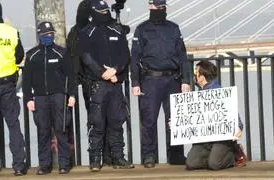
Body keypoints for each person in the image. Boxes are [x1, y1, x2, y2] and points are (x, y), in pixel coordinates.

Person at [130, 0, 191, 168]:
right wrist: (135, 82)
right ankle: (149, 156)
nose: (161, 10)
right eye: (158, 7)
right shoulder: (141, 29)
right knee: (148, 120)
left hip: (173, 80)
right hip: (150, 80)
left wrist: (186, 80)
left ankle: (176, 155)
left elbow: (183, 56)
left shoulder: (174, 28)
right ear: (150, 7)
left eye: (163, 7)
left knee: (175, 120)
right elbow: (135, 58)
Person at [78, 0, 134, 172]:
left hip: (115, 83)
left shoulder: (116, 31)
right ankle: (95, 160)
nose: (104, 14)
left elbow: (125, 54)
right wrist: (102, 72)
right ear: (93, 12)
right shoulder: (86, 32)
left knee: (117, 122)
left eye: (105, 11)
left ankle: (118, 157)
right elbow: (85, 57)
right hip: (97, 84)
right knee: (97, 123)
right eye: (100, 11)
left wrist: (116, 70)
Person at [22, 21, 76, 175]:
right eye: (45, 35)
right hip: (39, 98)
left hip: (59, 96)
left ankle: (64, 164)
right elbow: (26, 80)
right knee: (43, 131)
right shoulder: (32, 55)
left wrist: (71, 95)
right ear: (39, 35)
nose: (48, 37)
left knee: (61, 130)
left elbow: (71, 76)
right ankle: (45, 165)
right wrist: (28, 99)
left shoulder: (61, 52)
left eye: (51, 34)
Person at [65, 0, 113, 166]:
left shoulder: (74, 33)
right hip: (98, 78)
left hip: (87, 81)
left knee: (94, 120)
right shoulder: (95, 30)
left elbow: (72, 58)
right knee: (107, 118)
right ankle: (107, 155)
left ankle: (95, 157)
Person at [185, 60, 244, 171]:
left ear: (202, 76)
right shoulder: (197, 96)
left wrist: (237, 128)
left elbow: (237, 121)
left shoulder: (220, 92)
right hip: (205, 140)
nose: (194, 75)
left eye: (196, 73)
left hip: (221, 139)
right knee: (191, 163)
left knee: (215, 165)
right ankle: (214, 156)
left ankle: (234, 155)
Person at [0, 0, 28, 177]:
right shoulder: (12, 32)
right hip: (7, 84)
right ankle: (19, 165)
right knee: (13, 124)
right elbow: (19, 55)